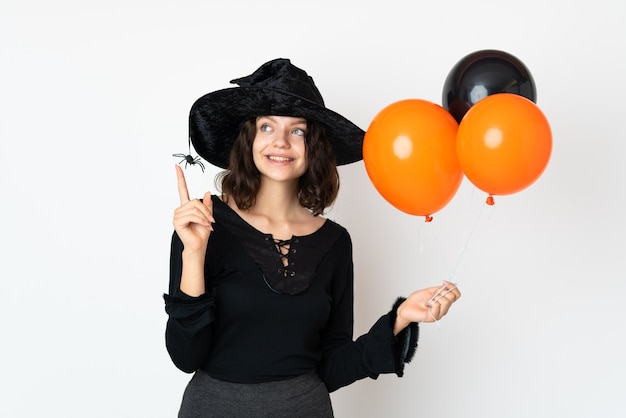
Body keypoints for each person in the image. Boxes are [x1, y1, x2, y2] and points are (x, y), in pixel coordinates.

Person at [164, 58, 461, 417]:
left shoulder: (335, 242)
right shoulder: (202, 223)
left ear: (314, 145)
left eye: (298, 131)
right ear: (249, 138)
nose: (282, 142)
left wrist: (399, 318)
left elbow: (332, 365)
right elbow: (185, 356)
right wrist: (193, 255)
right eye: (267, 127)